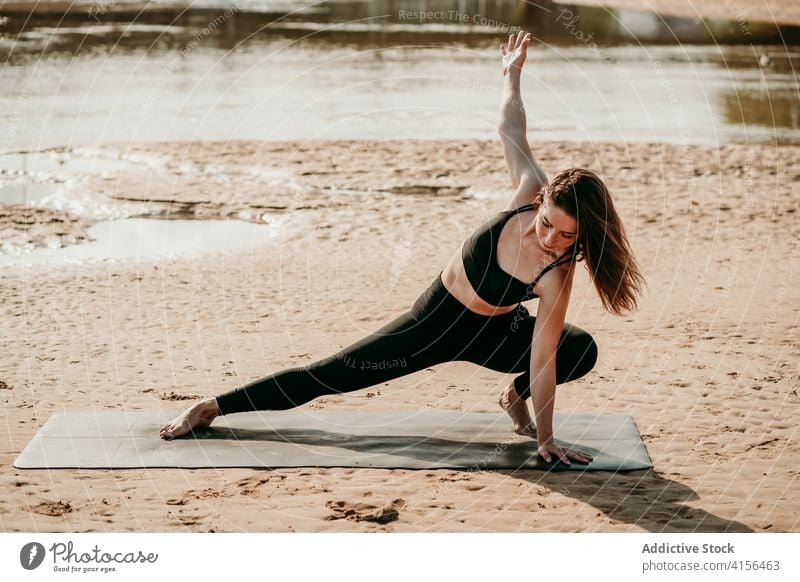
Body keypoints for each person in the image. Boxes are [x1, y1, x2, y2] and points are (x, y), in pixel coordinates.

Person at [160, 31, 645, 465]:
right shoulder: (527, 190)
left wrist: (545, 439)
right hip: (432, 325)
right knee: (329, 375)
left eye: (567, 236)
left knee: (578, 349)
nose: (551, 239)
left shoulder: (558, 272)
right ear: (538, 204)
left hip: (495, 332)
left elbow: (543, 356)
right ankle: (212, 406)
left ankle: (510, 398)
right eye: (547, 225)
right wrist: (511, 76)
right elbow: (510, 129)